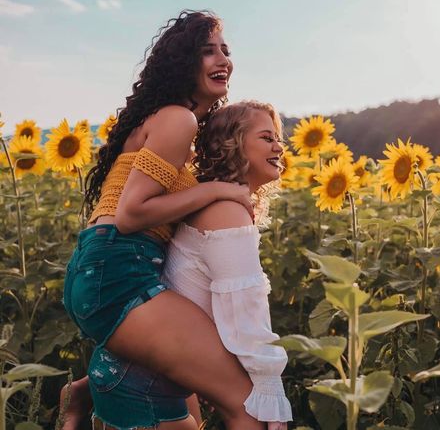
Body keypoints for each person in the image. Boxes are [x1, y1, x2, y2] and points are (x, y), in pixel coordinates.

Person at [62, 10, 269, 430]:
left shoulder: (175, 125)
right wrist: (217, 190)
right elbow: (130, 215)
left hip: (108, 269)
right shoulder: (179, 118)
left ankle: (83, 392)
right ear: (182, 62)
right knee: (246, 402)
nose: (222, 60)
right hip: (120, 271)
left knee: (185, 387)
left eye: (225, 51)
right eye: (207, 51)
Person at [87, 101, 292, 429]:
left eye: (279, 139)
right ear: (234, 143)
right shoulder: (226, 212)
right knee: (252, 412)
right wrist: (269, 384)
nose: (279, 147)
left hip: (130, 377)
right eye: (267, 138)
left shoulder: (209, 206)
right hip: (144, 390)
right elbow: (245, 310)